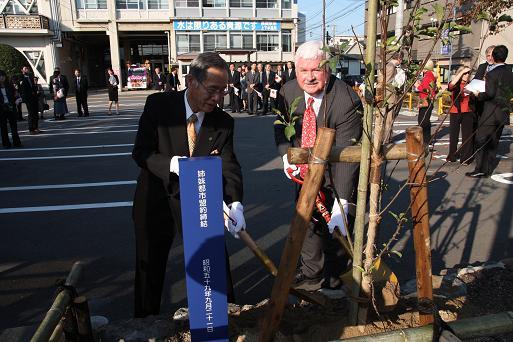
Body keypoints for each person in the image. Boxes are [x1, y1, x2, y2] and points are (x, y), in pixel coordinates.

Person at [132, 51, 245, 317]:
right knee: (150, 267)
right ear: (191, 82)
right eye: (213, 90)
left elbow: (229, 165)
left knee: (214, 263)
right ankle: (146, 324)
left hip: (201, 202)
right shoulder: (158, 106)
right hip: (156, 198)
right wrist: (174, 165)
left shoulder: (223, 122)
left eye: (223, 92)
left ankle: (223, 317)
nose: (218, 98)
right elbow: (141, 152)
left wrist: (235, 203)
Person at [275, 40, 363, 290]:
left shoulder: (346, 100)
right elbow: (281, 128)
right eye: (304, 70)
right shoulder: (288, 92)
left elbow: (348, 153)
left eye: (316, 70)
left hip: (337, 175)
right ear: (296, 70)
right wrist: (286, 156)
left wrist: (342, 201)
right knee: (306, 221)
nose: (310, 77)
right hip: (304, 173)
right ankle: (312, 274)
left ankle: (336, 279)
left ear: (328, 69)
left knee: (338, 227)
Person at [466, 45, 513, 178]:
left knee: (481, 141)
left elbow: (489, 94)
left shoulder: (492, 74)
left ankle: (480, 169)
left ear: (494, 57)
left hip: (489, 113)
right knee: (493, 142)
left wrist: (476, 94)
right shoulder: (510, 72)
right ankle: (488, 169)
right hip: (502, 113)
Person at [446, 66, 474, 164]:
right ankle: (452, 156)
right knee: (453, 136)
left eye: (468, 73)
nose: (467, 75)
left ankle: (465, 158)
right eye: (465, 73)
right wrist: (461, 72)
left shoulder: (471, 84)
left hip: (468, 112)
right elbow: (450, 85)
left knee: (467, 136)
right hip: (455, 111)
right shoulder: (456, 84)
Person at [376, 51, 404, 143]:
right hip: (389, 96)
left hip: (385, 96)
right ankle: (386, 139)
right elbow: (386, 82)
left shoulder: (387, 65)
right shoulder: (391, 67)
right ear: (399, 59)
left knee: (385, 118)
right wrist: (396, 87)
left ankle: (385, 138)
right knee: (388, 119)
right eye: (401, 59)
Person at [416, 59, 437, 148]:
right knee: (426, 121)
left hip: (426, 99)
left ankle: (425, 140)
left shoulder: (428, 75)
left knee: (422, 121)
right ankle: (427, 140)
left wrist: (418, 86)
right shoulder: (430, 75)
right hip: (428, 99)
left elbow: (426, 90)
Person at [0, 70, 22, 148]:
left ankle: (17, 142)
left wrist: (17, 100)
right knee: (3, 127)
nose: (2, 77)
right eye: (0, 76)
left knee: (14, 126)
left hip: (11, 107)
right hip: (2, 109)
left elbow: (16, 95)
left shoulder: (9, 86)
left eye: (3, 76)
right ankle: (6, 143)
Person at [19, 66, 40, 132]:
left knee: (36, 113)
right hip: (28, 98)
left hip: (34, 97)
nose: (27, 70)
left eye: (27, 68)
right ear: (22, 70)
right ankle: (31, 129)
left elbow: (33, 86)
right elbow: (22, 89)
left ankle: (36, 127)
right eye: (25, 69)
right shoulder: (21, 78)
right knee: (31, 113)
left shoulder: (31, 77)